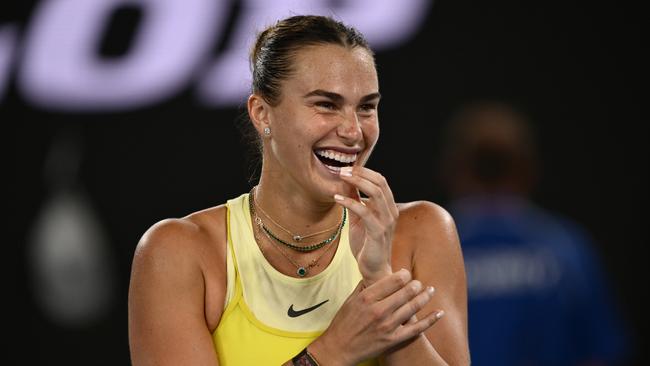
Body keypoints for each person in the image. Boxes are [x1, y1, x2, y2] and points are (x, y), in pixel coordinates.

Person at [128, 15, 470, 366]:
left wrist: (380, 281)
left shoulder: (422, 231)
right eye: (326, 104)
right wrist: (333, 351)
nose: (353, 131)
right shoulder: (179, 252)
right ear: (262, 114)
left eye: (366, 107)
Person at [438, 100, 630, 366]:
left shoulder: (429, 250)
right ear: (527, 167)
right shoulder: (566, 249)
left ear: (455, 168)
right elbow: (600, 352)